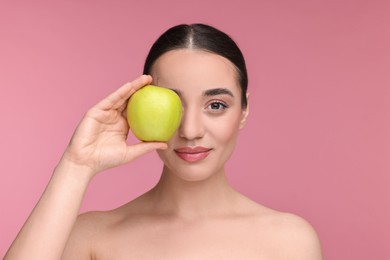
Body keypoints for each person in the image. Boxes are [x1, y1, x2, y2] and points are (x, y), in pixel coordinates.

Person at [5, 23, 322, 259]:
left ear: (243, 110)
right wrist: (77, 164)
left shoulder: (289, 241)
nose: (191, 130)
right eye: (173, 103)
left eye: (216, 105)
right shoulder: (91, 237)